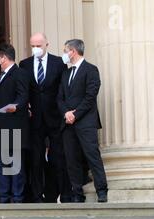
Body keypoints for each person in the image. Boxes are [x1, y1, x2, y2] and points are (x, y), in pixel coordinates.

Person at [19, 32, 72, 203]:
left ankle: (62, 193)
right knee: (36, 160)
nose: (35, 49)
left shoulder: (58, 63)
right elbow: (23, 90)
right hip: (34, 120)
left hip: (55, 118)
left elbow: (63, 90)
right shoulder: (24, 64)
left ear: (46, 44)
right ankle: (36, 196)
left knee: (58, 158)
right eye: (33, 46)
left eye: (38, 46)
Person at [57, 39, 108, 203]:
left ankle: (101, 190)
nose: (64, 54)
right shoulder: (66, 73)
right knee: (72, 160)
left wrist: (75, 114)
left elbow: (90, 96)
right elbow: (60, 97)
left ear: (73, 51)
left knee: (92, 156)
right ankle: (77, 193)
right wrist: (66, 113)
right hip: (68, 123)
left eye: (65, 50)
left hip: (85, 122)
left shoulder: (91, 70)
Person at [0, 44, 30, 204]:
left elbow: (23, 95)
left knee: (15, 166)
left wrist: (16, 106)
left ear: (5, 57)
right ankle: (4, 197)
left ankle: (17, 198)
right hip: (0, 128)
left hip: (14, 127)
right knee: (2, 165)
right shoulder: (2, 75)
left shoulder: (19, 73)